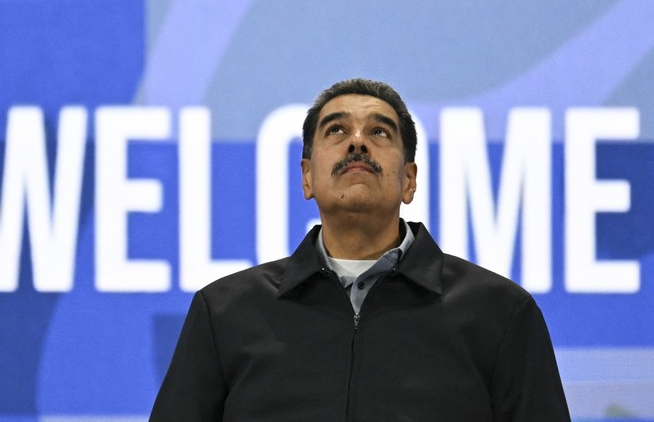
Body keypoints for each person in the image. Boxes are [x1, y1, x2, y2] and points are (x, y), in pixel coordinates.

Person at [150, 78, 571, 421]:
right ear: (307, 178)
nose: (357, 143)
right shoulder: (225, 313)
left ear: (409, 180)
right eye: (336, 130)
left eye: (379, 132)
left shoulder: (499, 314)